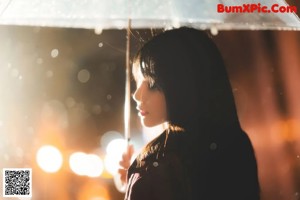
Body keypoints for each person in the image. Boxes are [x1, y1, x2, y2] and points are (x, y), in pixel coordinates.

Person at [118, 27, 260, 200]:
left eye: (152, 83)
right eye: (139, 81)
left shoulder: (156, 162)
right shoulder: (237, 143)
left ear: (182, 85)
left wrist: (138, 182)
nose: (136, 94)